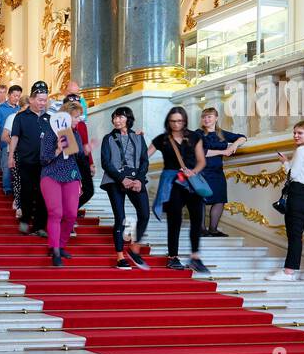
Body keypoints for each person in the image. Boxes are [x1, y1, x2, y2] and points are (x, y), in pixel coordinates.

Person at [149, 106, 211, 273]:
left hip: (191, 182)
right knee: (174, 219)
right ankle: (173, 257)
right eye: (173, 121)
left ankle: (195, 257)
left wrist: (193, 172)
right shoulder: (162, 139)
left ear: (185, 121)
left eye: (180, 121)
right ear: (168, 121)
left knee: (197, 218)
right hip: (172, 183)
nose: (176, 124)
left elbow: (201, 161)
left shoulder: (194, 137)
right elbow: (144, 156)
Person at [268, 119, 304, 282]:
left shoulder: (301, 151)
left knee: (295, 234)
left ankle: (288, 272)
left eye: (300, 133)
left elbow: (293, 175)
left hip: (298, 193)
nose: (296, 136)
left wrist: (285, 162)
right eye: (294, 132)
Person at [99, 106, 151, 270]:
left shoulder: (138, 137)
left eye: (120, 117)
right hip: (115, 180)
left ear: (128, 118)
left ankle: (134, 245)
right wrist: (122, 179)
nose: (116, 120)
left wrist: (140, 180)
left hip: (136, 179)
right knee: (120, 217)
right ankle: (120, 256)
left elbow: (144, 161)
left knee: (144, 214)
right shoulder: (108, 138)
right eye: (114, 117)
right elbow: (106, 163)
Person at [39, 99, 85, 268]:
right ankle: (55, 250)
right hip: (51, 174)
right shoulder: (51, 132)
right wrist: (58, 149)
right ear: (66, 116)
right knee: (56, 213)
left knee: (72, 214)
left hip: (71, 175)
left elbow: (78, 155)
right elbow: (44, 159)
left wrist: (84, 149)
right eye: (76, 117)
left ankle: (60, 244)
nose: (79, 120)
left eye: (79, 116)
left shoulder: (75, 133)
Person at [9, 82, 51, 236]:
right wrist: (10, 156)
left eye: (44, 100)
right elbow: (14, 137)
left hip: (45, 164)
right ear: (32, 99)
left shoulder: (49, 118)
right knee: (26, 192)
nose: (42, 103)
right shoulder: (21, 117)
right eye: (40, 100)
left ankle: (40, 226)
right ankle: (25, 221)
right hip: (26, 161)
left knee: (43, 194)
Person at [197, 107, 246, 236]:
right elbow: (201, 152)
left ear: (216, 118)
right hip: (202, 171)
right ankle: (201, 229)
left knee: (220, 199)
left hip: (217, 170)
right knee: (201, 199)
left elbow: (242, 137)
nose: (206, 119)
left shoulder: (221, 133)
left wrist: (234, 145)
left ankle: (213, 229)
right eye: (204, 117)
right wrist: (223, 151)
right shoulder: (198, 133)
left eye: (209, 116)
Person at [0, 85, 20, 195]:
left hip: (17, 142)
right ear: (9, 95)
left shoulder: (19, 109)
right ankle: (7, 187)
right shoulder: (1, 109)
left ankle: (16, 186)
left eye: (18, 96)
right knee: (6, 165)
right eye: (14, 95)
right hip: (4, 141)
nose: (16, 98)